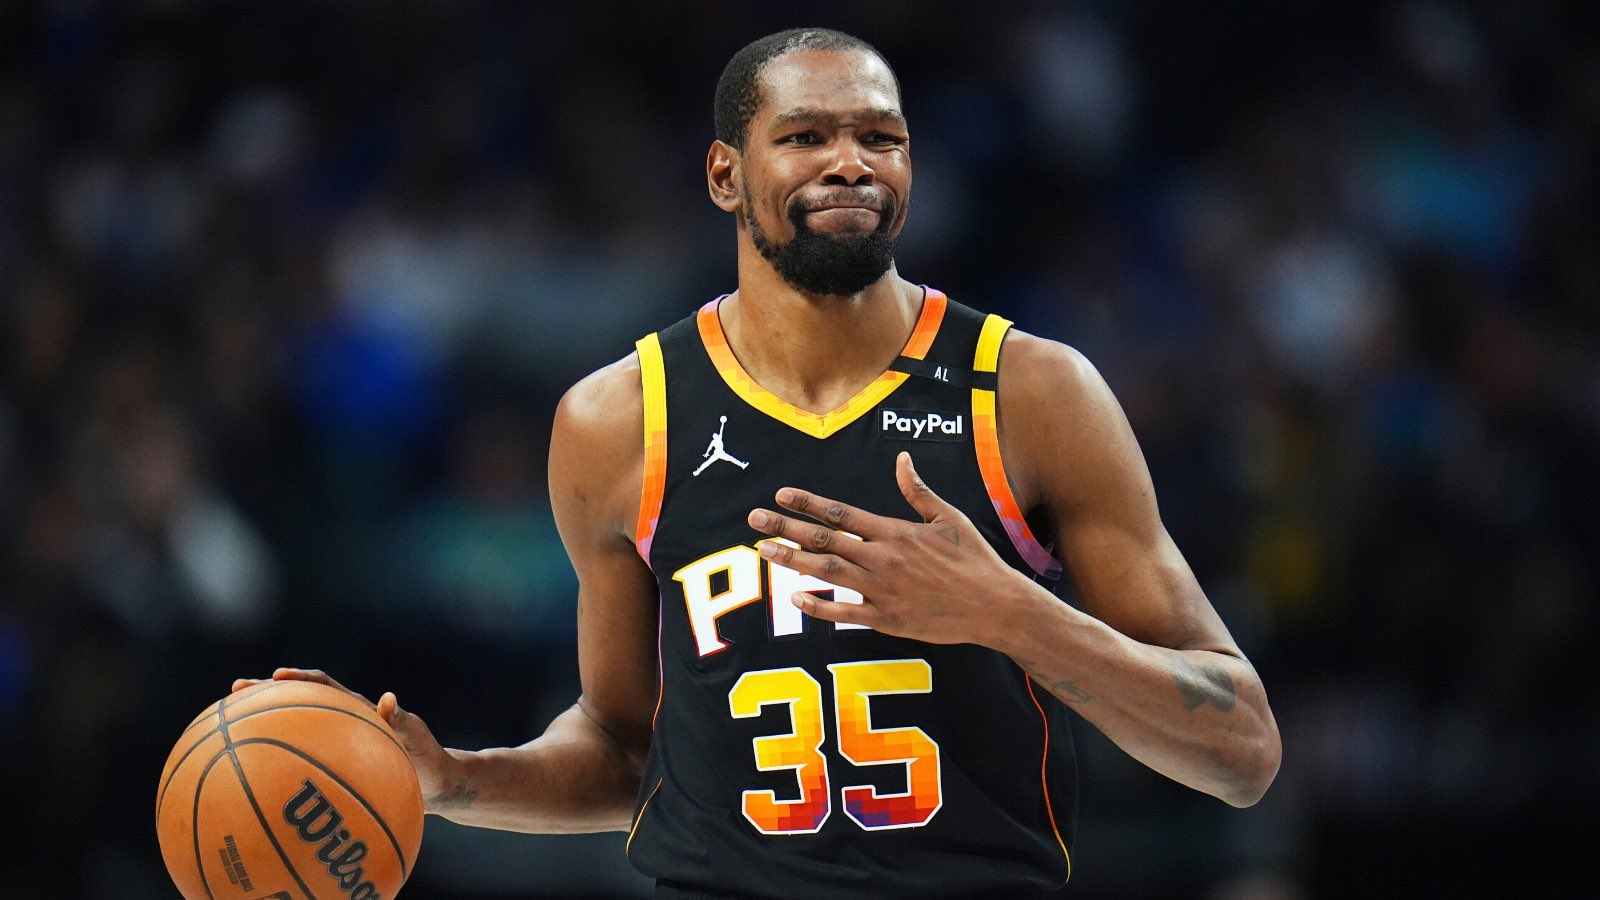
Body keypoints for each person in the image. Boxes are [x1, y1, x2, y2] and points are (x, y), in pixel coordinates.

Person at [237, 27, 1281, 898]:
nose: (850, 162)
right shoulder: (616, 422)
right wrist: (453, 780)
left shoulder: (1030, 394)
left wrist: (1008, 613)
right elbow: (624, 751)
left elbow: (1239, 752)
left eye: (882, 136)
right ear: (724, 173)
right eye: (807, 135)